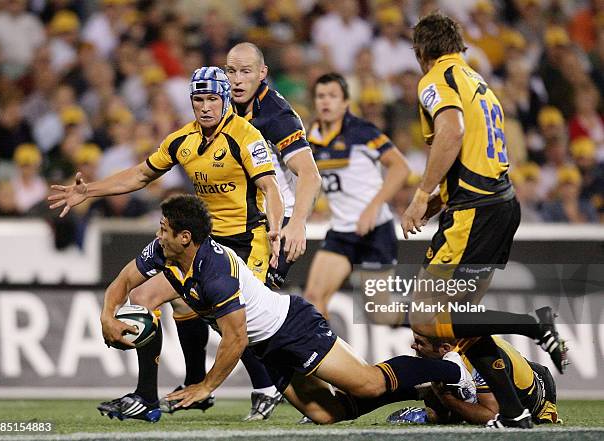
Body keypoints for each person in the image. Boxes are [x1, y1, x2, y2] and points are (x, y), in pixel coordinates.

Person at [98, 194, 474, 424]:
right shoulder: (164, 252)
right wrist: (107, 315)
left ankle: (449, 369)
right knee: (328, 415)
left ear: (185, 237)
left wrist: (205, 386)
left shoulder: (215, 273)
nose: (158, 234)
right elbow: (123, 281)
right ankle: (424, 390)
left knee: (368, 383)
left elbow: (236, 338)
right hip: (267, 346)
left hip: (291, 328)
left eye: (164, 229)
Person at [49, 67, 284, 420]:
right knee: (146, 297)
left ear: (225, 100)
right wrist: (90, 190)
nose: (205, 107)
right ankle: (150, 396)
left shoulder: (245, 136)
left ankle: (267, 388)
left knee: (235, 323)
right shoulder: (182, 140)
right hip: (200, 242)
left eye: (212, 99)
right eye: (198, 99)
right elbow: (142, 174)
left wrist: (278, 231)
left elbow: (270, 188)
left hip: (247, 243)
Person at [400, 12, 567, 429]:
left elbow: (452, 132)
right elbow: (476, 147)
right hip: (500, 202)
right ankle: (515, 411)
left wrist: (422, 194)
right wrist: (443, 195)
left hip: (475, 209)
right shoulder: (479, 82)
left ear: (422, 51)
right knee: (462, 321)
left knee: (424, 318)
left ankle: (533, 324)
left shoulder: (436, 79)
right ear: (459, 46)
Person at [225, 42, 322, 420]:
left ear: (262, 73)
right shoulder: (223, 103)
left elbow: (310, 175)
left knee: (244, 311)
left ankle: (281, 387)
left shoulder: (277, 115)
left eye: (246, 71)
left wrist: (296, 225)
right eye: (231, 71)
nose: (236, 80)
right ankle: (295, 387)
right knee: (220, 306)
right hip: (240, 226)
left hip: (275, 228)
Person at [303, 73, 410, 319]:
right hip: (342, 232)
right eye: (320, 96)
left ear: (345, 103)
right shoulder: (310, 137)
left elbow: (400, 167)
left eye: (332, 96)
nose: (325, 102)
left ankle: (432, 326)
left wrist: (372, 208)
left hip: (375, 230)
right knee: (313, 298)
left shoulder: (361, 132)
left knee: (380, 313)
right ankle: (326, 357)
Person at [388, 332, 560, 425]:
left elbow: (492, 415)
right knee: (437, 385)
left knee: (443, 391)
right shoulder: (461, 343)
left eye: (419, 342)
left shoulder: (476, 358)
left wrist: (447, 400)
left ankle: (433, 416)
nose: (413, 346)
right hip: (528, 374)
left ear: (445, 348)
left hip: (536, 399)